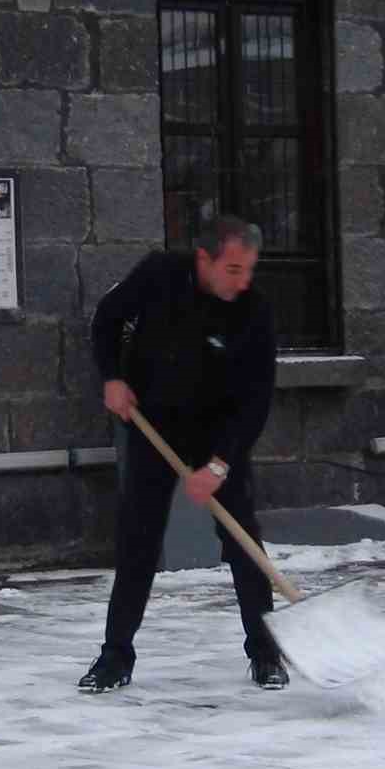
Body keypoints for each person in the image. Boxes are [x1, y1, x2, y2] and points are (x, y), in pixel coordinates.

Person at [78, 216, 286, 694]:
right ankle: (115, 656)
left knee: (243, 543)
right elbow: (107, 320)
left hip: (220, 432)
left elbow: (257, 399)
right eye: (233, 269)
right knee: (138, 539)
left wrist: (218, 464)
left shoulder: (254, 310)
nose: (243, 280)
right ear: (203, 260)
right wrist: (112, 377)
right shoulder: (158, 276)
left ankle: (266, 650)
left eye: (249, 269)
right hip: (156, 427)